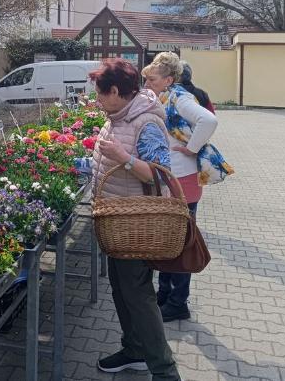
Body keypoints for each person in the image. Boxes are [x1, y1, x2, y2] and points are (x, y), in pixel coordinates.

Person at [90, 58, 181, 379]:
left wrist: (124, 158)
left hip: (136, 224)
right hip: (117, 223)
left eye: (100, 94)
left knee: (139, 297)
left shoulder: (146, 122)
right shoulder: (117, 116)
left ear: (116, 91)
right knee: (121, 289)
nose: (97, 100)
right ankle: (135, 350)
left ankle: (165, 371)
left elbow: (160, 176)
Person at [142, 52, 218, 323]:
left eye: (152, 79)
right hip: (175, 179)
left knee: (181, 242)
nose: (147, 83)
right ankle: (165, 294)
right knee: (169, 239)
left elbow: (209, 120)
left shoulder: (179, 97)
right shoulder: (166, 96)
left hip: (182, 180)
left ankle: (178, 302)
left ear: (168, 79)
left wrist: (191, 148)